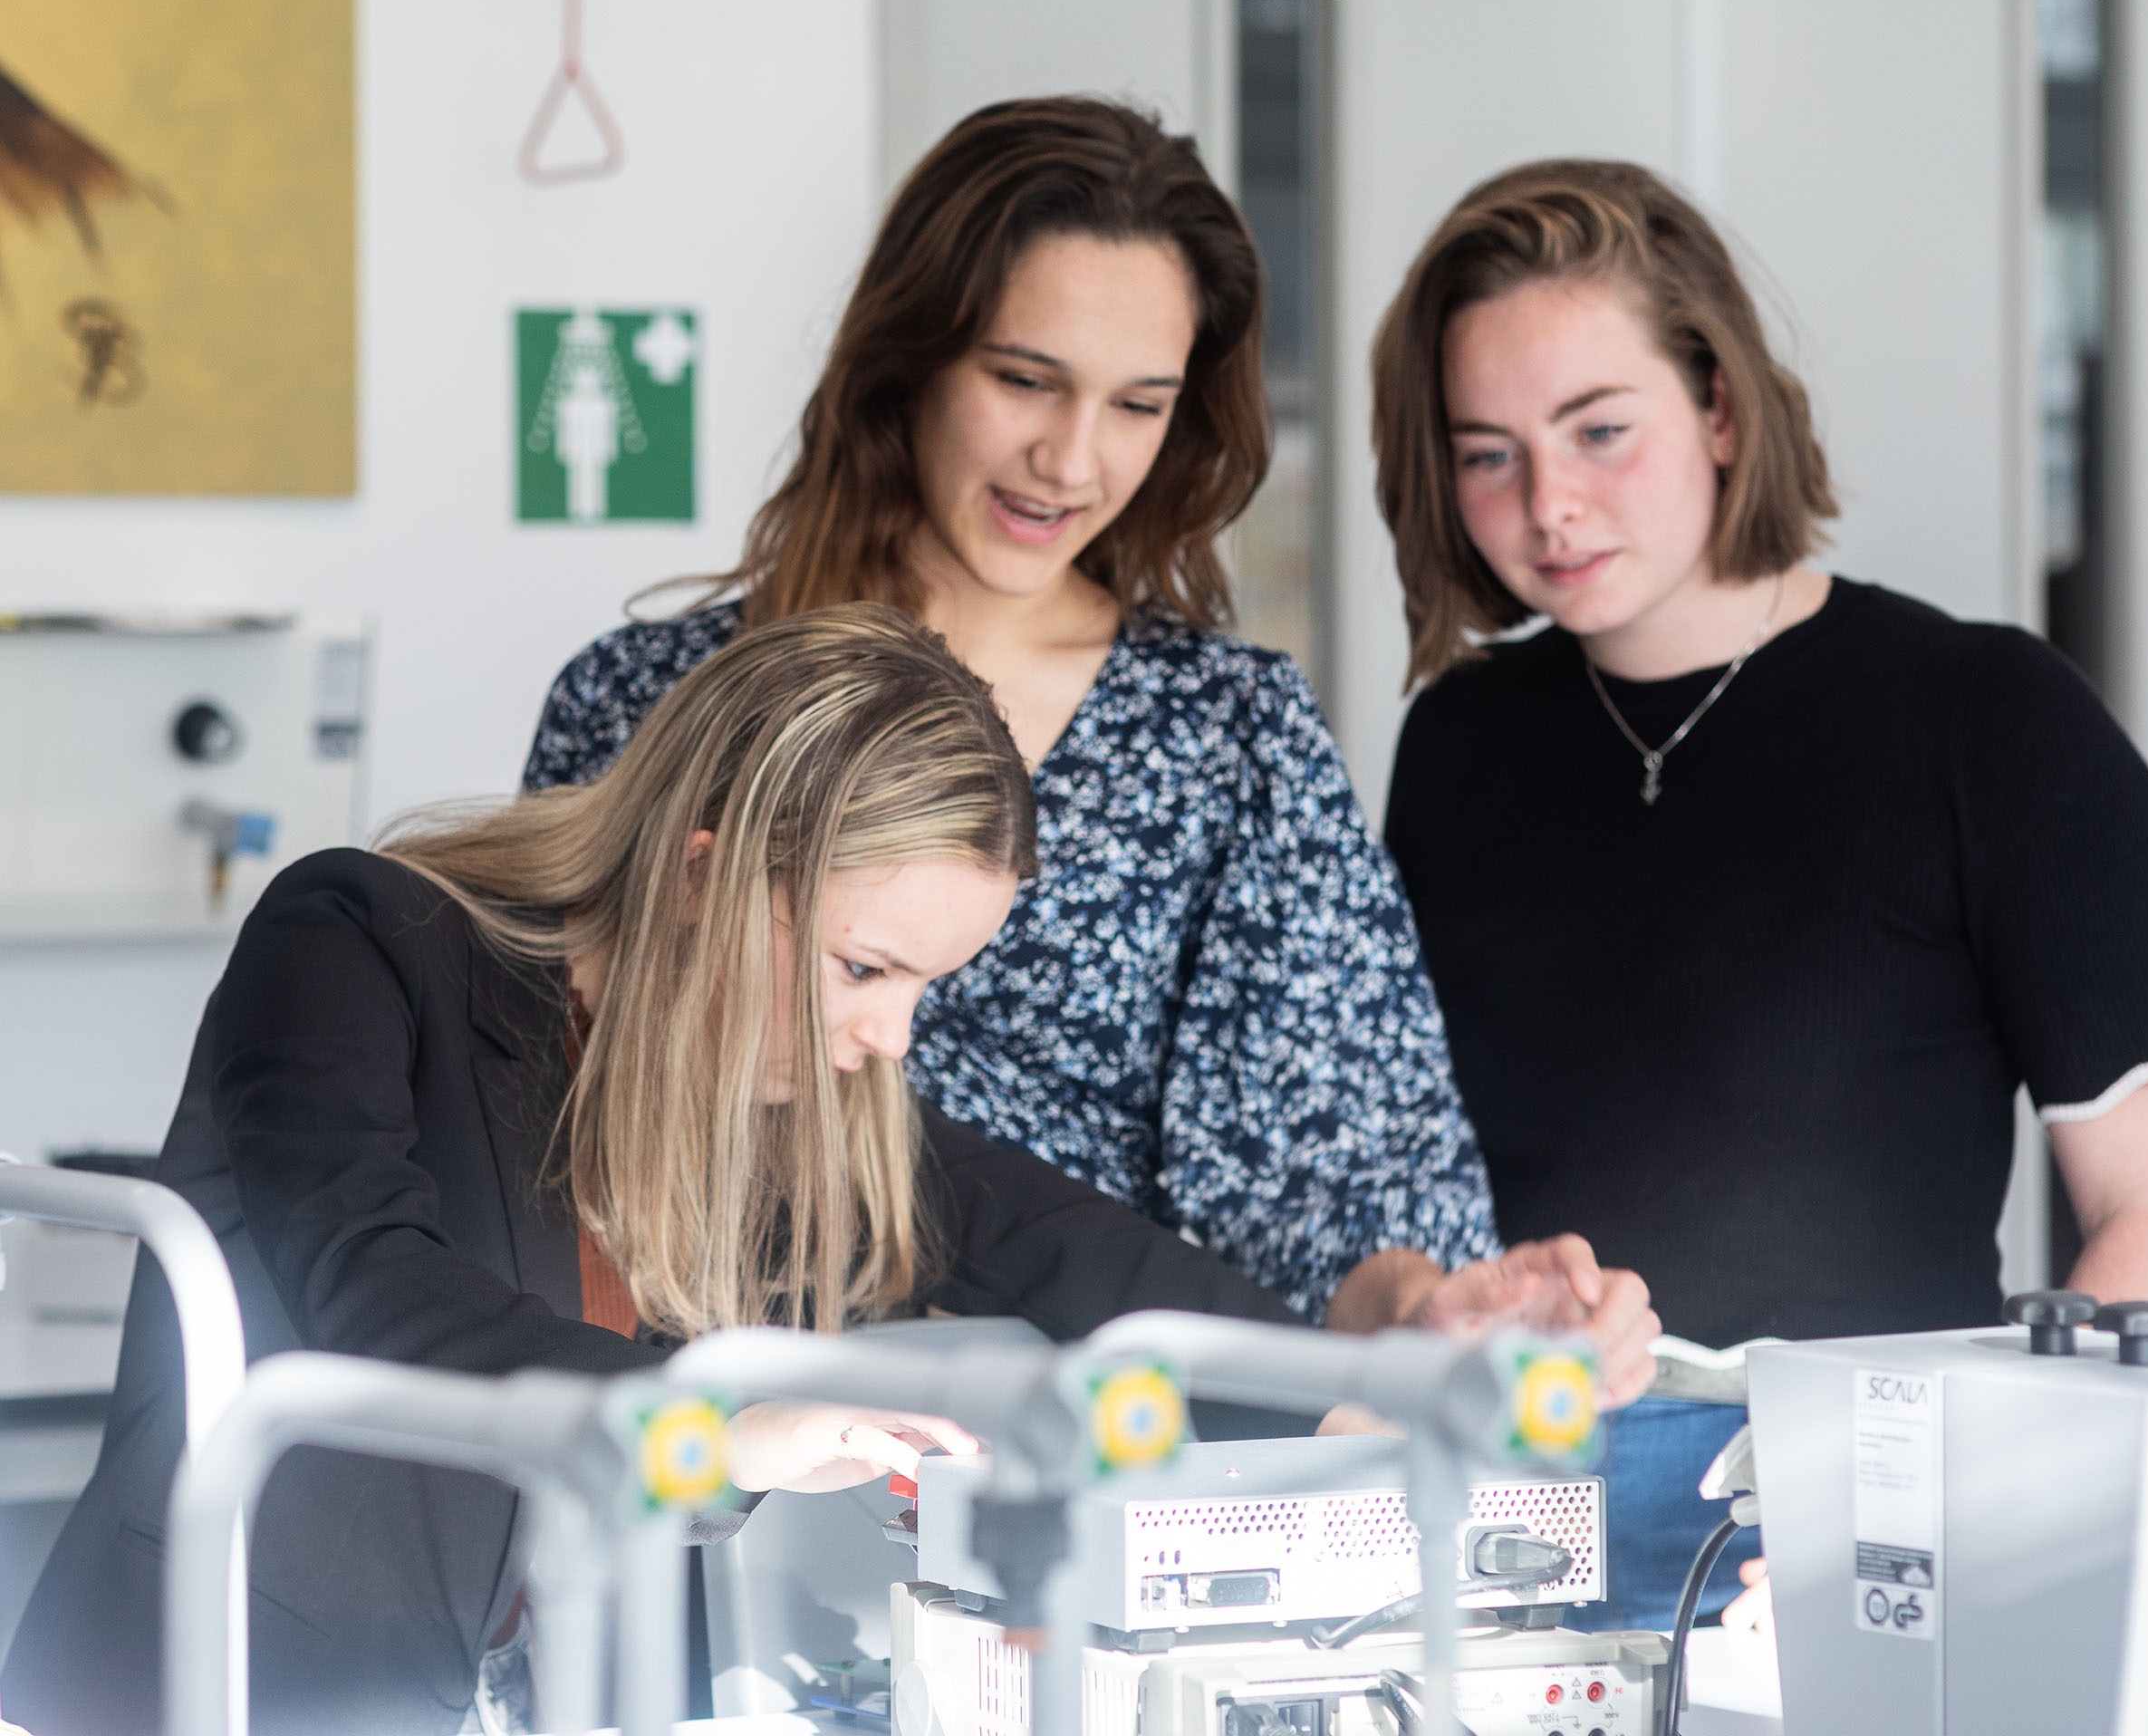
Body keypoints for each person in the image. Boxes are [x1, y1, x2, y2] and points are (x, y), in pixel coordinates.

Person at [5, 608, 1343, 1736]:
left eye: (926, 985)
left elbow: (1052, 1237)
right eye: (863, 968)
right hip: (231, 1681)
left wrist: (1330, 1405)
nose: (888, 1038)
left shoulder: (773, 1089)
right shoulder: (361, 935)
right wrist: (710, 1424)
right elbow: (375, 1292)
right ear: (703, 878)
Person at [523, 97, 1658, 1367]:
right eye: (1024, 380)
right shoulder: (640, 704)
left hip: (1098, 1468)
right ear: (909, 363)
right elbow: (545, 1128)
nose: (1069, 459)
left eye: (1138, 404)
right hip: (711, 1448)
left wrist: (1423, 1309)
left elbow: (1327, 1199)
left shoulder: (1230, 740)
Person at [1370, 159, 2148, 1629]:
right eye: (1488, 454)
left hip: (1874, 1508)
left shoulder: (1987, 717)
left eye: (1599, 431)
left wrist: (1967, 1509)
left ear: (1718, 407)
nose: (1551, 505)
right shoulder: (1456, 745)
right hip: (1511, 1530)